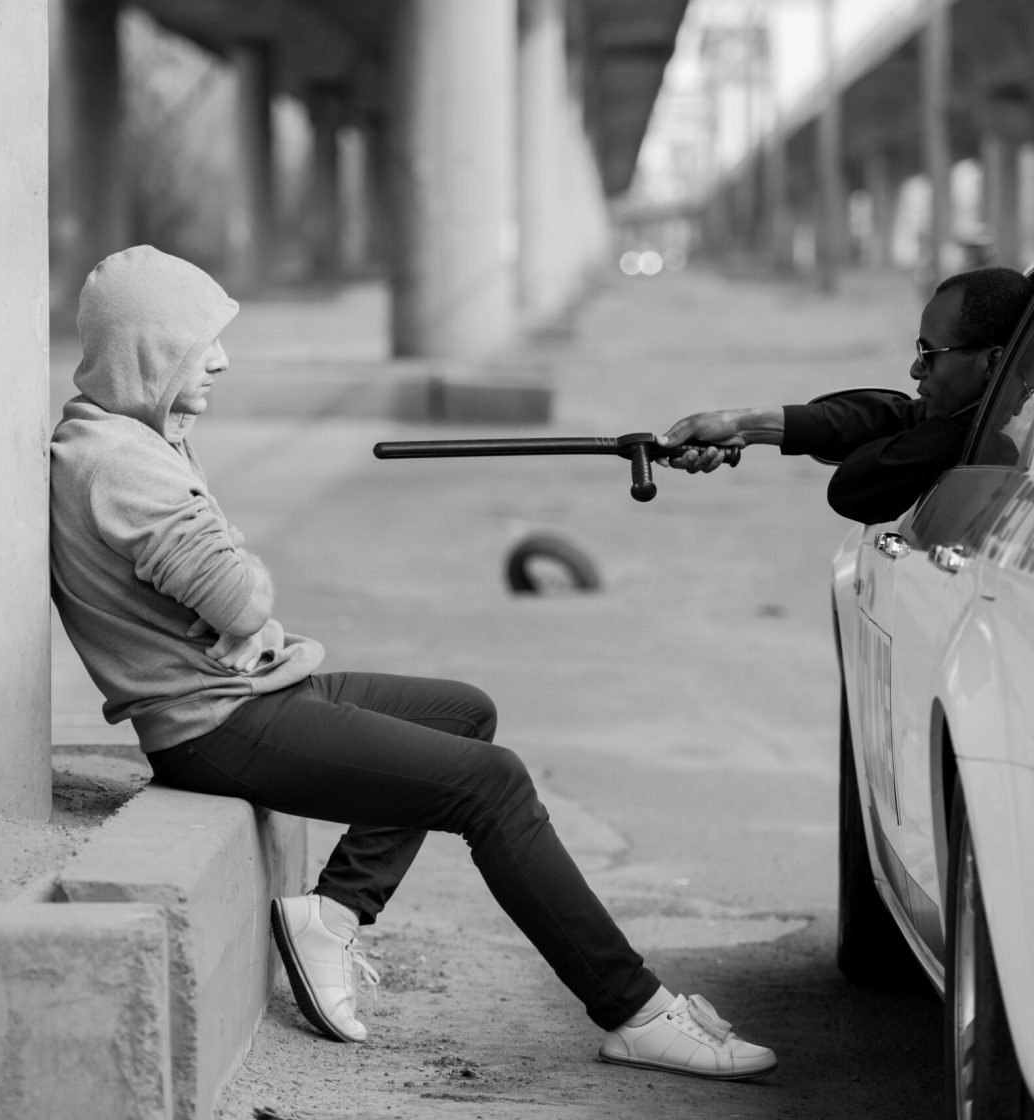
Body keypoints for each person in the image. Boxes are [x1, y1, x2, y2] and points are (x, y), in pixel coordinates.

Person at [49, 245, 777, 1081]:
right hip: (217, 724)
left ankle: (333, 914)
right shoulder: (123, 465)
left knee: (463, 711)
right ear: (146, 349)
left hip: (252, 688)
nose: (220, 359)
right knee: (490, 782)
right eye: (197, 342)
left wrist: (237, 613)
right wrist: (240, 598)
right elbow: (241, 600)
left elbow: (228, 606)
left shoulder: (127, 435)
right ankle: (636, 1012)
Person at [656, 267, 1034, 523]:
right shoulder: (985, 421)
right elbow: (893, 418)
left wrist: (970, 424)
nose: (916, 370)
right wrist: (744, 426)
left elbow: (857, 487)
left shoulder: (984, 441)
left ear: (993, 364)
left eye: (928, 355)